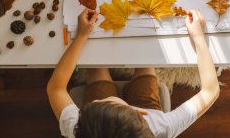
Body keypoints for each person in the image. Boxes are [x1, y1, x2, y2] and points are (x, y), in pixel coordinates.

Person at [47, 9, 220, 138]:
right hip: (145, 112)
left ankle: (100, 72)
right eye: (103, 101)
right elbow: (210, 91)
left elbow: (56, 89)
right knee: (145, 73)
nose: (97, 100)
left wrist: (81, 37)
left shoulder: (82, 127)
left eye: (95, 103)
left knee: (98, 78)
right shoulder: (161, 127)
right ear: (141, 113)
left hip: (109, 120)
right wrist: (198, 38)